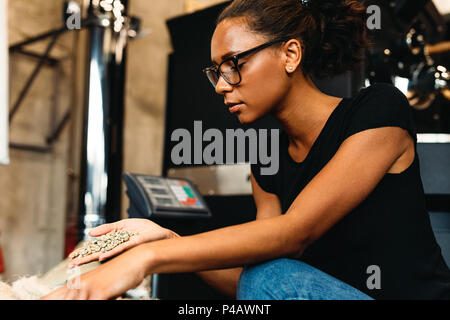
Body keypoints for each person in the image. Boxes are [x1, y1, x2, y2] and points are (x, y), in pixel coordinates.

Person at [43, 0, 450, 300]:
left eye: (233, 63)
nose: (222, 84)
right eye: (216, 71)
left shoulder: (377, 110)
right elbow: (252, 280)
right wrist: (161, 239)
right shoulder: (268, 161)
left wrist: (146, 260)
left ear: (290, 54)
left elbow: (294, 234)